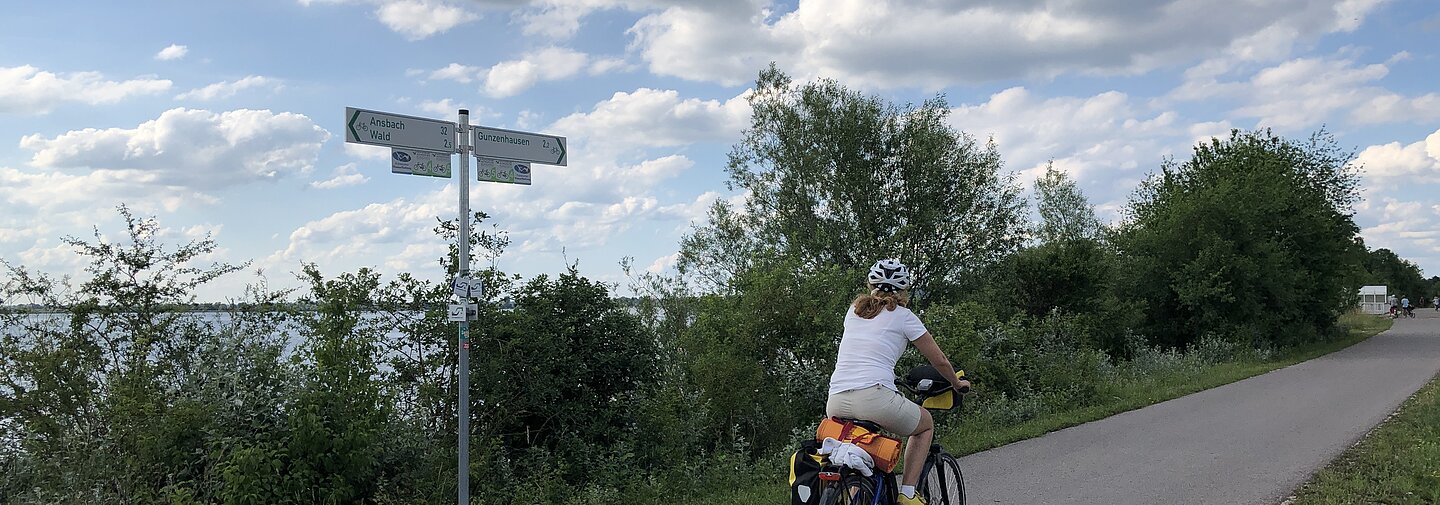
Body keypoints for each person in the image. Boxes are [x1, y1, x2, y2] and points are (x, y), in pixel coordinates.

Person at [826, 259, 969, 505]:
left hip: (836, 401)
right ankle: (908, 494)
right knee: (925, 425)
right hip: (874, 398)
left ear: (871, 284)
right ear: (904, 290)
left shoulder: (854, 311)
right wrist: (957, 384)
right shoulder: (904, 317)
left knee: (864, 454)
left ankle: (855, 494)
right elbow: (941, 361)